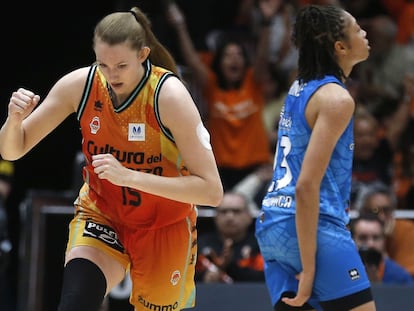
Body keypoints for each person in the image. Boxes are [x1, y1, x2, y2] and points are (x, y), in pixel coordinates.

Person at [0, 6, 223, 311]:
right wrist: (13, 120)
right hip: (103, 212)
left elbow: (212, 191)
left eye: (121, 65)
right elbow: (12, 149)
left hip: (164, 225)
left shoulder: (168, 96)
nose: (111, 75)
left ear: (143, 55)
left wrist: (129, 176)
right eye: (103, 64)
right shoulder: (81, 85)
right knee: (76, 303)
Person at [255, 4, 376, 311]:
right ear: (340, 46)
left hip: (271, 223)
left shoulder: (299, 87)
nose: (365, 33)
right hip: (312, 227)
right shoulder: (336, 99)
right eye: (358, 29)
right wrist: (309, 270)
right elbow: (306, 185)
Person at [166, 1, 273, 191]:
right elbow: (191, 58)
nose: (234, 59)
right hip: (220, 167)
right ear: (219, 62)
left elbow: (263, 57)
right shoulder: (212, 86)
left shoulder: (253, 82)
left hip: (255, 167)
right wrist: (180, 26)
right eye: (228, 55)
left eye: (239, 55)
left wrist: (266, 23)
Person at [196, 191, 264, 283]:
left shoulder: (261, 245)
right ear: (216, 217)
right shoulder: (201, 243)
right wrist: (206, 277)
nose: (230, 217)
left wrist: (230, 265)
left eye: (236, 211)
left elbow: (264, 279)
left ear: (249, 216)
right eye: (224, 212)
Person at [358, 182, 414, 277]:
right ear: (362, 212)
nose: (382, 217)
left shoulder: (406, 230)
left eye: (386, 210)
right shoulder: (352, 231)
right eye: (374, 211)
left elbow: (406, 279)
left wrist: (383, 243)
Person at [350, 213, 413, 285]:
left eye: (376, 237)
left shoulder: (400, 278)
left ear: (384, 240)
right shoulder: (342, 273)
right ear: (352, 240)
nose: (371, 244)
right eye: (363, 238)